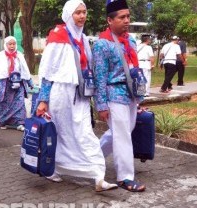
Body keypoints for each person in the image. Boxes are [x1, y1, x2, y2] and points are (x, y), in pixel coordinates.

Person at [35, 0, 117, 192]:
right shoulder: (57, 37)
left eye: (84, 12)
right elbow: (48, 72)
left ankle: (98, 176)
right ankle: (52, 167)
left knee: (85, 133)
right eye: (77, 13)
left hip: (81, 94)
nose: (82, 16)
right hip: (61, 94)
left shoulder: (83, 39)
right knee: (61, 133)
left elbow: (89, 68)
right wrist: (43, 100)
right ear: (68, 15)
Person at [92, 0, 146, 192]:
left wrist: (139, 99)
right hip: (113, 94)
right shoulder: (102, 44)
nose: (127, 20)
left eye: (128, 16)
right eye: (122, 17)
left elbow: (134, 69)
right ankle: (125, 177)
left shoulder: (130, 40)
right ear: (110, 20)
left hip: (130, 94)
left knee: (121, 131)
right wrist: (102, 105)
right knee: (122, 135)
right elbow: (99, 77)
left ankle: (91, 159)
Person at [0, 36, 33, 131]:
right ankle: (2, 122)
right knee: (4, 104)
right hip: (5, 84)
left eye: (14, 44)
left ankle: (19, 122)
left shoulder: (19, 55)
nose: (12, 46)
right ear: (6, 45)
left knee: (20, 102)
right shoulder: (0, 56)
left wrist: (29, 81)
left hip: (18, 83)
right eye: (10, 44)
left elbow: (25, 70)